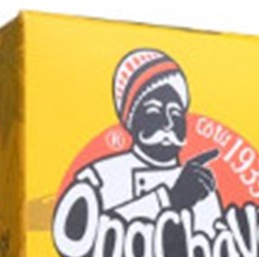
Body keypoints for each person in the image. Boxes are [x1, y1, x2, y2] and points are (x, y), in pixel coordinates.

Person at [74, 49, 222, 233]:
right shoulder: (98, 178)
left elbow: (213, 239)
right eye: (154, 112)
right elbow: (79, 234)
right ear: (131, 121)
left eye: (176, 113)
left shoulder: (198, 183)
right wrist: (171, 199)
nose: (168, 123)